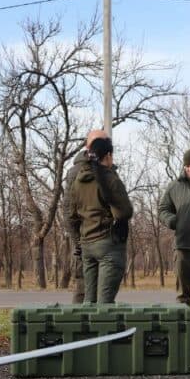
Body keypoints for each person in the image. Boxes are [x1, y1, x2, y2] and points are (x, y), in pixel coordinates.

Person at [64, 129, 134, 304]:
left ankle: (86, 332)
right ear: (108, 155)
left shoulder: (78, 179)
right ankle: (105, 332)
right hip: (108, 244)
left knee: (89, 301)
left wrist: (79, 243)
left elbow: (70, 215)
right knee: (105, 305)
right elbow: (124, 212)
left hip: (87, 245)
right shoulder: (109, 178)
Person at [158, 148, 190, 305]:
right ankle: (183, 328)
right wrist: (172, 221)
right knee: (182, 295)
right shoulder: (174, 186)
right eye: (187, 166)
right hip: (183, 245)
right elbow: (162, 209)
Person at [64, 149, 87, 304]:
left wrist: (76, 241)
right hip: (88, 235)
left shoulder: (72, 173)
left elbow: (67, 213)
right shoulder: (85, 173)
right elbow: (69, 212)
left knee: (81, 283)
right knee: (85, 285)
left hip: (80, 235)